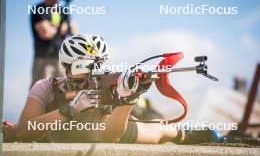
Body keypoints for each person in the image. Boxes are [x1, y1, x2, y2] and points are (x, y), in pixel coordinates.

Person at [16, 34, 217, 144]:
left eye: (98, 65)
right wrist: (70, 109)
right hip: (59, 134)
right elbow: (23, 133)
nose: (90, 73)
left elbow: (109, 137)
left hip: (104, 130)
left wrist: (128, 99)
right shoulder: (46, 87)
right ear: (66, 67)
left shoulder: (109, 81)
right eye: (82, 66)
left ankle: (192, 134)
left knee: (162, 131)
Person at [30, 0, 77, 86]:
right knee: (42, 93)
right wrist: (61, 25)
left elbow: (74, 33)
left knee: (64, 92)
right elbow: (46, 33)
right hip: (43, 59)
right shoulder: (38, 9)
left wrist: (67, 18)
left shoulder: (62, 11)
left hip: (62, 60)